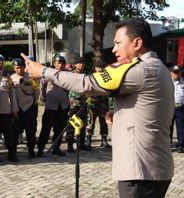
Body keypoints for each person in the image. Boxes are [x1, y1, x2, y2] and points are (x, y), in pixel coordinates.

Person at [22, 18, 174, 198]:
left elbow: (88, 83)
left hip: (140, 170)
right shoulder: (159, 68)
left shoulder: (139, 70)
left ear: (137, 43)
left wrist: (44, 71)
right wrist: (120, 114)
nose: (115, 49)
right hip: (154, 166)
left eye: (118, 43)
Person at [37, 56, 69, 157]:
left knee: (59, 128)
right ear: (54, 63)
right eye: (58, 63)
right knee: (46, 128)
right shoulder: (48, 74)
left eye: (62, 63)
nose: (60, 65)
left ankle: (56, 147)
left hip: (62, 106)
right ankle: (41, 148)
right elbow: (42, 87)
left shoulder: (67, 75)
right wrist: (44, 98)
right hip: (51, 106)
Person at [0, 57, 19, 162]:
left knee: (9, 134)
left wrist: (14, 109)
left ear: (0, 65)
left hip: (6, 111)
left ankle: (12, 154)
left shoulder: (7, 78)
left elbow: (13, 95)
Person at [11, 58, 39, 159]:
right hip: (16, 109)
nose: (19, 70)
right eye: (17, 68)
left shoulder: (31, 78)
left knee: (30, 130)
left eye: (21, 67)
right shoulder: (11, 78)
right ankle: (13, 152)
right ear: (14, 68)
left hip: (28, 107)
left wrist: (33, 103)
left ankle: (31, 150)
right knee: (14, 131)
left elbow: (36, 91)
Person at [85, 60, 112, 149]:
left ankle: (104, 140)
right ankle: (88, 140)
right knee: (90, 123)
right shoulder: (91, 77)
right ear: (95, 68)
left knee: (104, 122)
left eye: (101, 67)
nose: (100, 69)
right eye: (98, 67)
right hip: (92, 103)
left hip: (103, 103)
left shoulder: (107, 77)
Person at [67, 56, 91, 152]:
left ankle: (81, 144)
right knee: (71, 123)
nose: (81, 65)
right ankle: (69, 145)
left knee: (83, 123)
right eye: (79, 63)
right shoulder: (70, 75)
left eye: (83, 63)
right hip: (73, 103)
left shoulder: (87, 74)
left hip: (84, 102)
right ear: (75, 65)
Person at [170, 65, 184, 153]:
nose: (176, 74)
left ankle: (180, 146)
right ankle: (168, 145)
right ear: (170, 73)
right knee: (168, 127)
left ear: (180, 73)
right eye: (174, 73)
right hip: (170, 107)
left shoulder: (183, 82)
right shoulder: (167, 82)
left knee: (181, 127)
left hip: (180, 108)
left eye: (178, 72)